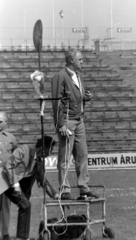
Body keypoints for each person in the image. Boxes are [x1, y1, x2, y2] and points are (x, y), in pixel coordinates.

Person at [51, 48, 98, 200]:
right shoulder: (61, 76)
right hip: (68, 121)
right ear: (72, 60)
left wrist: (85, 97)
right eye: (80, 59)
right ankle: (65, 189)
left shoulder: (78, 75)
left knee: (82, 155)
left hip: (79, 121)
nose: (83, 61)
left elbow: (76, 97)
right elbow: (57, 102)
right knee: (65, 157)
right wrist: (61, 125)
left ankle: (83, 187)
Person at [3, 135, 59, 240]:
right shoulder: (24, 150)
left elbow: (43, 181)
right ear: (44, 148)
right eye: (50, 149)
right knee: (26, 205)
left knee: (25, 205)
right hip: (7, 183)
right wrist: (16, 186)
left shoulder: (40, 162)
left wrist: (56, 195)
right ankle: (22, 237)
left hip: (18, 188)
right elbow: (8, 165)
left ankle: (22, 236)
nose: (50, 153)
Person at [0, 111, 17, 240]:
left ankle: (5, 234)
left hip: (6, 176)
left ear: (6, 123)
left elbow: (15, 155)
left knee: (6, 206)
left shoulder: (11, 138)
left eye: (0, 121)